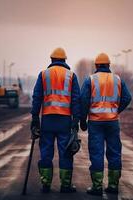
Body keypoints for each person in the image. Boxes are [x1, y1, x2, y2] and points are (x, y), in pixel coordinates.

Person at [80, 53, 132, 196]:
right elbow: (128, 97)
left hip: (95, 122)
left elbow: (84, 101)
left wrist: (82, 120)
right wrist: (116, 110)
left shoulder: (90, 80)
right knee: (114, 152)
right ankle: (113, 185)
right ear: (109, 65)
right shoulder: (117, 79)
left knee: (97, 153)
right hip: (112, 122)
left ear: (96, 65)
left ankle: (97, 187)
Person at [31, 47, 80, 193]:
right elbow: (76, 100)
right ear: (65, 60)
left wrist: (35, 118)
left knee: (46, 151)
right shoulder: (71, 75)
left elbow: (37, 97)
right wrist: (76, 120)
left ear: (51, 60)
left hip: (47, 120)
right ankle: (65, 185)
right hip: (64, 120)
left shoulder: (44, 74)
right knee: (65, 152)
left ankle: (46, 184)